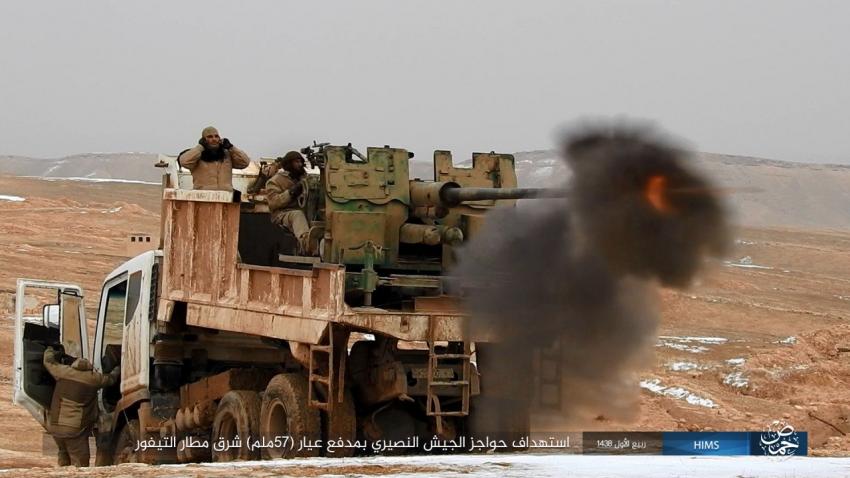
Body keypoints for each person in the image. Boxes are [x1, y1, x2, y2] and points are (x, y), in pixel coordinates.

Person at [42, 346, 119, 467]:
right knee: (80, 462)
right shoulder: (93, 378)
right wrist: (119, 366)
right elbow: (111, 379)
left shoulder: (63, 372)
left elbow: (48, 361)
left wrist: (51, 349)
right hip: (74, 429)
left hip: (55, 427)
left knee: (63, 454)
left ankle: (62, 472)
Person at [265, 151, 322, 255]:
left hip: (304, 212)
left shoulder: (305, 179)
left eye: (301, 162)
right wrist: (291, 193)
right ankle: (306, 243)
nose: (299, 164)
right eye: (296, 162)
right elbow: (273, 203)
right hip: (283, 214)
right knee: (297, 215)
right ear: (289, 163)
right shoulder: (275, 181)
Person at [178, 126, 251, 191]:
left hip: (226, 198)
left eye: (216, 136)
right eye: (210, 137)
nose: (214, 139)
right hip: (203, 197)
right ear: (204, 140)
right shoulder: (197, 155)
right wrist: (200, 147)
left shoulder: (227, 154)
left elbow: (245, 162)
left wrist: (231, 147)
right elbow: (184, 162)